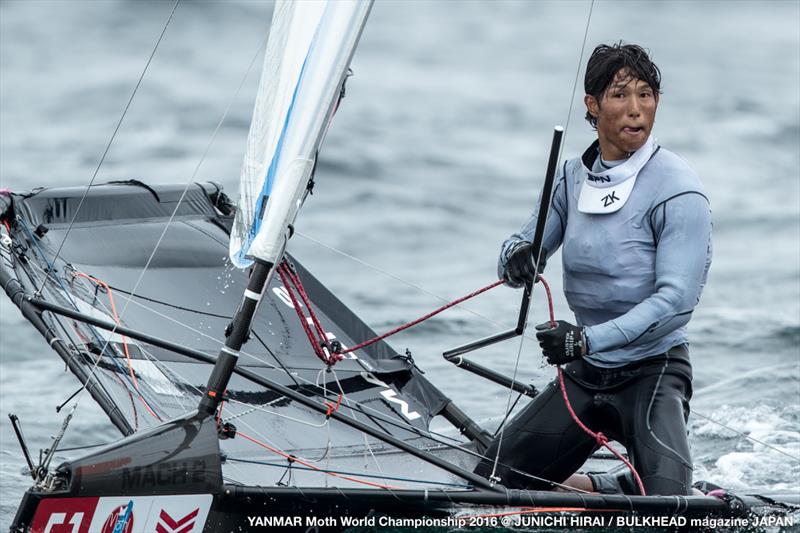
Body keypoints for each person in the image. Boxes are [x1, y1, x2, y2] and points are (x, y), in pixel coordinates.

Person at [474, 43, 712, 496]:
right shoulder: (571, 177)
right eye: (621, 95)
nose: (637, 110)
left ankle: (635, 483)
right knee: (486, 486)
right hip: (584, 373)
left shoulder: (679, 189)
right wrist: (519, 259)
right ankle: (608, 485)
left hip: (653, 371)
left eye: (647, 95)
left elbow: (677, 302)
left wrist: (586, 338)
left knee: (671, 512)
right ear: (593, 104)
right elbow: (516, 251)